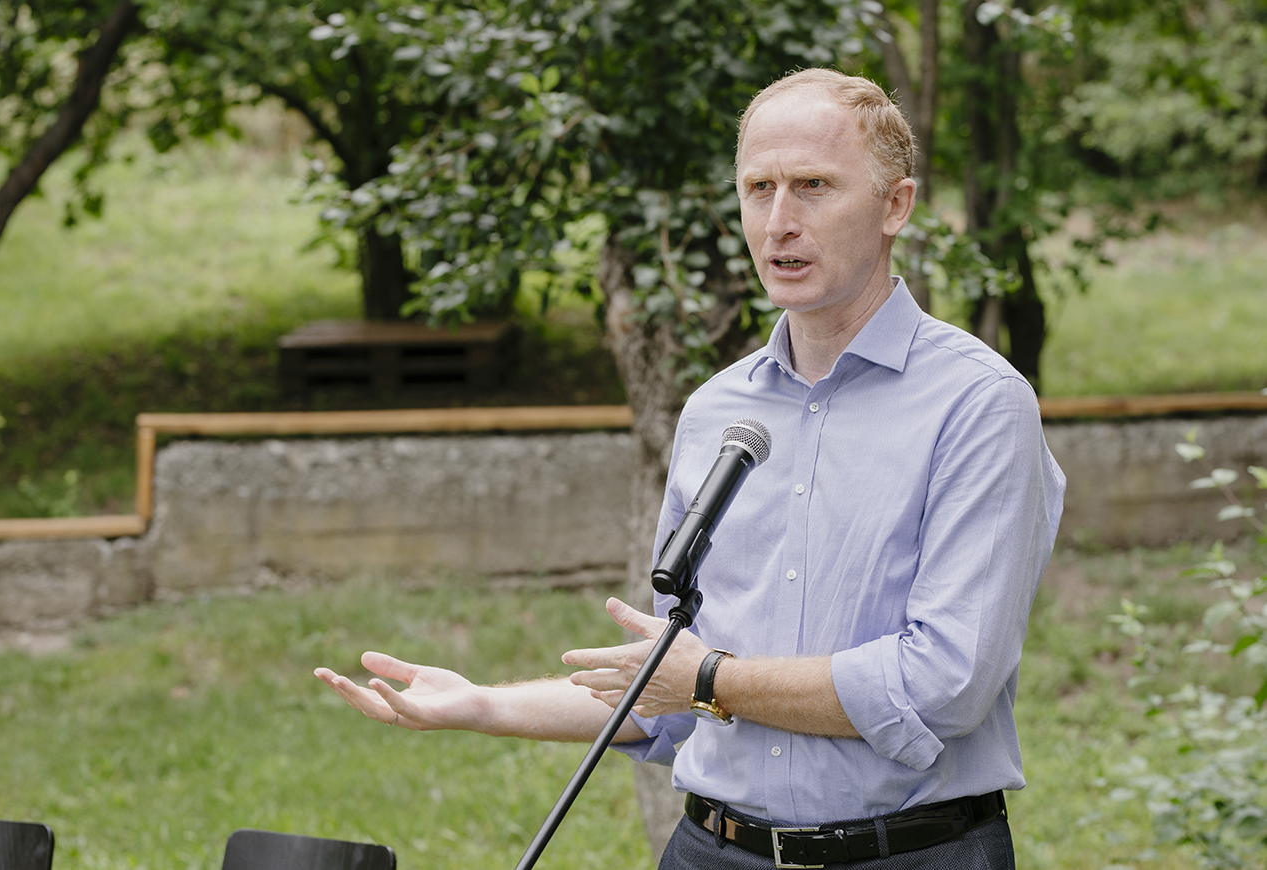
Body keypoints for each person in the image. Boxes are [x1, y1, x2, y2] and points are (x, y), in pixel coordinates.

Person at [315, 67, 1065, 869]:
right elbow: (668, 693)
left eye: (814, 186)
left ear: (896, 206)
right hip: (711, 850)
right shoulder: (717, 411)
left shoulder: (979, 405)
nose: (779, 221)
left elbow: (944, 685)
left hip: (913, 855)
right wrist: (480, 704)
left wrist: (711, 679)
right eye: (758, 189)